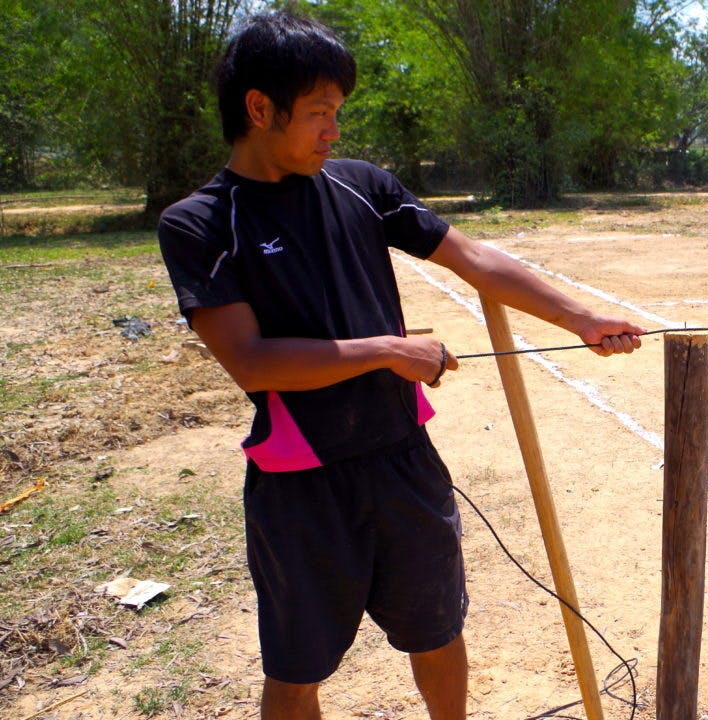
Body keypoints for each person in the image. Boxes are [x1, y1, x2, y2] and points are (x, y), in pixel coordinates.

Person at [156, 12, 643, 720]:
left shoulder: (361, 186)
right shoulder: (200, 223)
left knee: (437, 631)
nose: (334, 130)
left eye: (338, 112)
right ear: (259, 108)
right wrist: (389, 349)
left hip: (402, 460)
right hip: (301, 483)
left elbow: (473, 258)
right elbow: (252, 362)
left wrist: (580, 319)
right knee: (297, 669)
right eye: (319, 112)